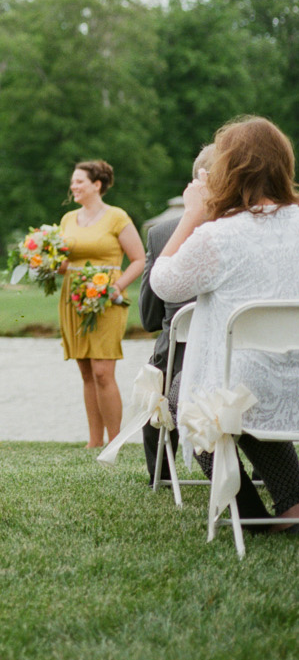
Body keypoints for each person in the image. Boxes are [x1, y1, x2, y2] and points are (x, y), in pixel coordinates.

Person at [151, 116, 299, 530]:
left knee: (190, 396)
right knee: (251, 392)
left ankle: (247, 513)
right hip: (293, 380)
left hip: (239, 385)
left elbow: (164, 284)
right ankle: (294, 503)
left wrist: (192, 214)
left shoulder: (220, 236)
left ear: (228, 170)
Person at [57, 160, 145, 448]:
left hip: (106, 298)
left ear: (97, 185)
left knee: (103, 371)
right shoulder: (68, 219)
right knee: (85, 371)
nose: (74, 186)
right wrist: (47, 263)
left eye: (79, 181)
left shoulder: (117, 217)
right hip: (74, 297)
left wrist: (115, 287)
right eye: (73, 182)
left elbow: (139, 259)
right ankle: (94, 442)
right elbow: (64, 263)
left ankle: (115, 440)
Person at [138, 146, 213, 477]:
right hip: (254, 363)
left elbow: (150, 317)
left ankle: (161, 474)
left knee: (158, 381)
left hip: (181, 363)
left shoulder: (161, 234)